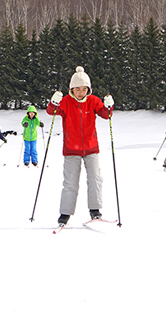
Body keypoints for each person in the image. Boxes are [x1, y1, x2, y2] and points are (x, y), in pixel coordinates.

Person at [46, 66, 114, 226]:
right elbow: (52, 111)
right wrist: (53, 102)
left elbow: (106, 115)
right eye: (77, 89)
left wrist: (109, 106)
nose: (81, 92)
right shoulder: (66, 102)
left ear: (88, 89)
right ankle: (65, 214)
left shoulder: (93, 101)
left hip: (91, 148)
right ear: (72, 89)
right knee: (70, 182)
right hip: (71, 149)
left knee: (95, 179)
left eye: (84, 89)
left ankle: (95, 210)